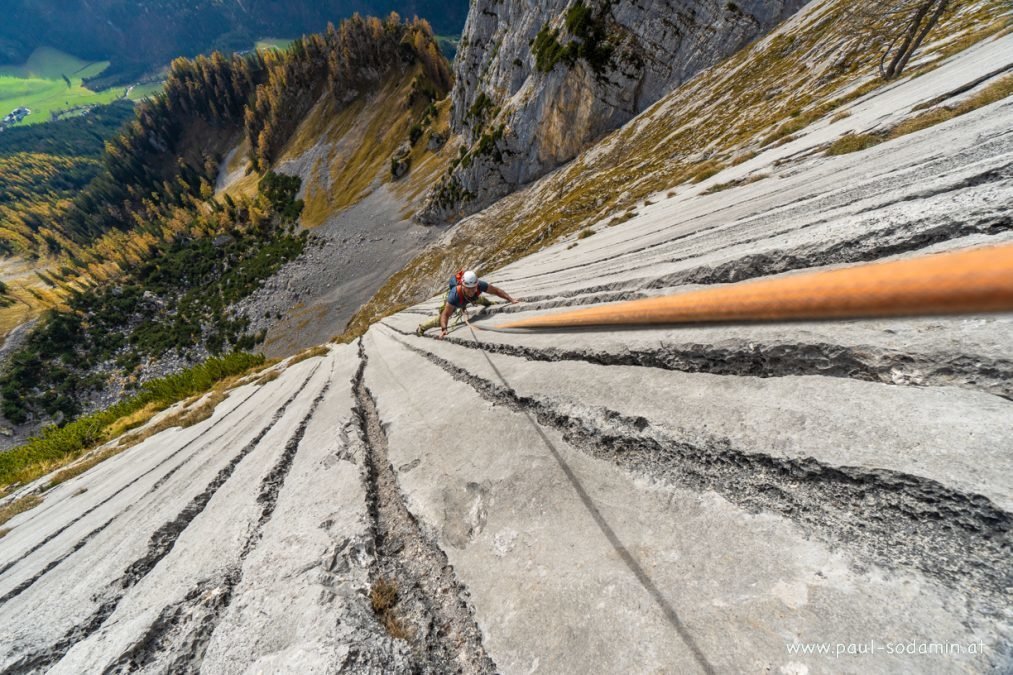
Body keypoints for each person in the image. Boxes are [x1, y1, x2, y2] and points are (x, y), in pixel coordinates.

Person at [416, 270, 518, 338]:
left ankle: (489, 303)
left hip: (469, 299)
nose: (471, 291)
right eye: (469, 289)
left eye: (474, 288)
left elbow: (496, 291)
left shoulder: (479, 285)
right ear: (463, 285)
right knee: (439, 319)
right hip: (458, 302)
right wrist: (444, 329)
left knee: (479, 299)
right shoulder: (454, 296)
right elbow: (445, 315)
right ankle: (422, 327)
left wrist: (511, 299)